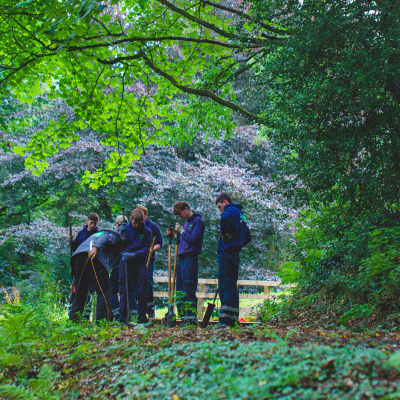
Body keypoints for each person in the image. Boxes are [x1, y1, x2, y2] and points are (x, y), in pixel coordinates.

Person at [69, 228, 126, 322]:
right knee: (104, 292)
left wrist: (74, 280)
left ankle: (73, 321)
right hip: (94, 258)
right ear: (122, 245)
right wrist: (96, 248)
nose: (120, 252)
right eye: (122, 250)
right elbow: (105, 238)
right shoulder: (115, 237)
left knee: (80, 292)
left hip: (78, 258)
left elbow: (79, 256)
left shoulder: (96, 235)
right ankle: (102, 323)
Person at [214, 193, 251, 328]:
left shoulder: (229, 210)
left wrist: (225, 235)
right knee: (233, 285)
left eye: (219, 206)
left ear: (225, 202)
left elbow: (224, 218)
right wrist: (238, 244)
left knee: (225, 283)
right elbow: (248, 237)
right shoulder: (241, 215)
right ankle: (233, 318)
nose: (220, 210)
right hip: (235, 253)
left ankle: (224, 321)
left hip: (226, 252)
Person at [173, 201, 205, 326]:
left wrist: (182, 231)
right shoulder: (186, 224)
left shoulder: (197, 221)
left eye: (180, 214)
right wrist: (177, 236)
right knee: (180, 289)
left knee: (188, 287)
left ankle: (191, 318)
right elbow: (185, 240)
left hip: (190, 257)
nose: (180, 217)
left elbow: (194, 239)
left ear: (186, 209)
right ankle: (183, 317)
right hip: (182, 258)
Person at [119, 209, 152, 324]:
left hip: (139, 263)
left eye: (139, 223)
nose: (137, 226)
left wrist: (134, 255)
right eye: (134, 223)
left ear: (143, 220)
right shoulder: (124, 230)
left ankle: (142, 318)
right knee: (124, 290)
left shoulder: (147, 232)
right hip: (126, 263)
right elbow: (118, 246)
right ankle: (123, 319)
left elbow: (146, 249)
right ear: (131, 219)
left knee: (142, 291)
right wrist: (119, 234)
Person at [68, 213, 99, 320]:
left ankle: (86, 316)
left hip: (92, 266)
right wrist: (71, 242)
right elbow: (76, 248)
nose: (93, 225)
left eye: (95, 223)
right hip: (80, 266)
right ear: (87, 221)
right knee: (79, 291)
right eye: (91, 223)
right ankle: (75, 316)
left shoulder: (97, 234)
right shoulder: (81, 233)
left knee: (90, 292)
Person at [136, 205, 163, 319]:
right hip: (137, 258)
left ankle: (150, 309)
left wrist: (150, 249)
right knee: (137, 283)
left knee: (148, 283)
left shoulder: (153, 227)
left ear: (146, 215)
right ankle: (138, 309)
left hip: (149, 259)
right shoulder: (135, 225)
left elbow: (159, 243)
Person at [110, 215, 128, 321]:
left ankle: (118, 314)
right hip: (121, 267)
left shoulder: (114, 236)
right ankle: (119, 313)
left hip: (118, 267)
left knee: (114, 291)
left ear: (117, 224)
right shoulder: (130, 233)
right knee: (124, 291)